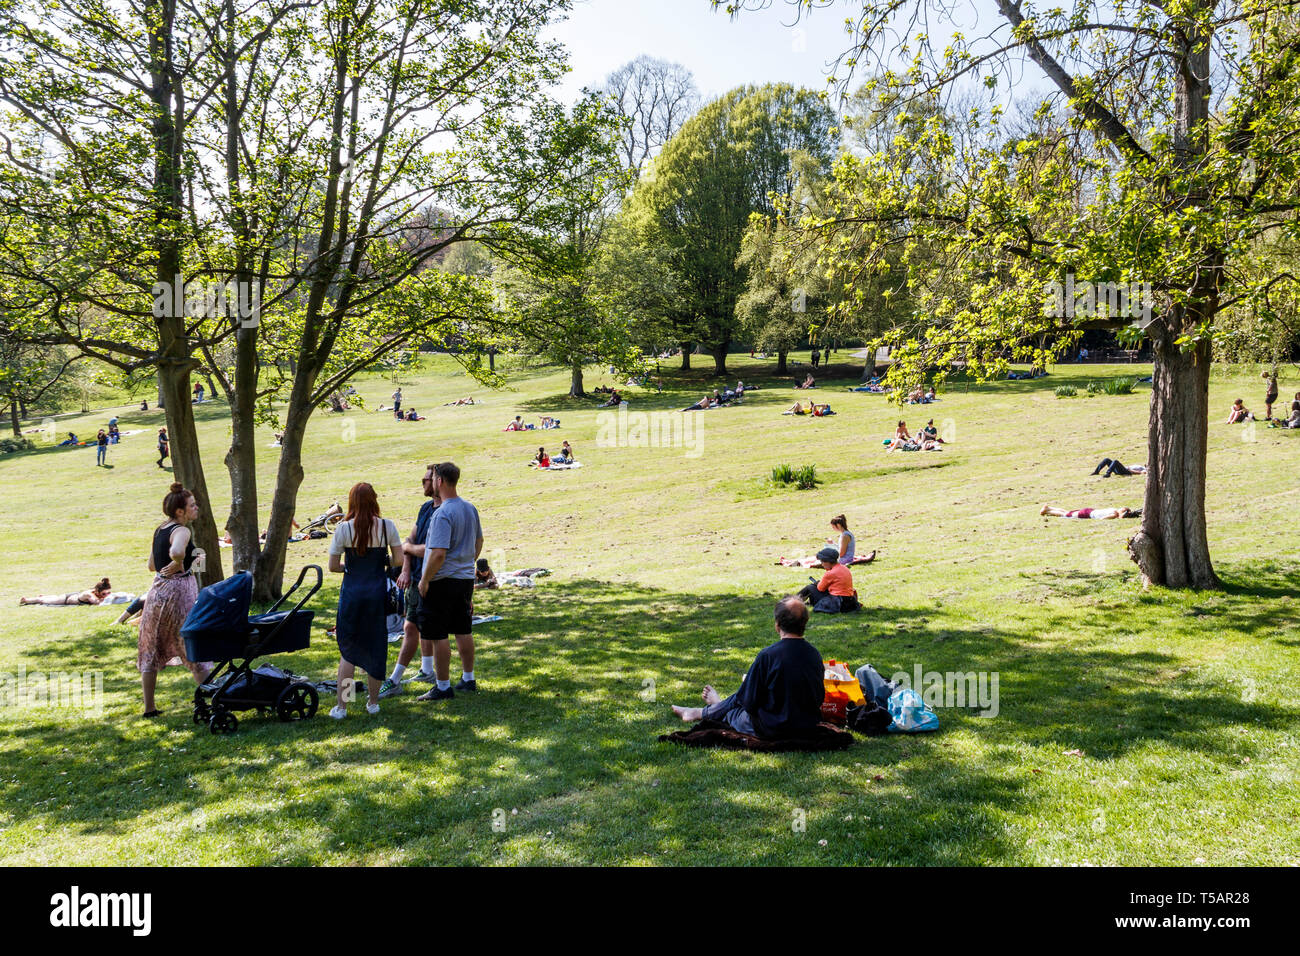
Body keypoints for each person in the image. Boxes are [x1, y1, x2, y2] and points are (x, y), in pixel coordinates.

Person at [670, 597, 824, 738]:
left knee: (736, 711)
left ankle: (703, 711)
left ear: (777, 625)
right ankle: (713, 707)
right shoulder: (814, 654)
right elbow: (818, 697)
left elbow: (749, 703)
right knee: (746, 691)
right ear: (804, 623)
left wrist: (748, 685)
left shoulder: (768, 656)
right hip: (806, 725)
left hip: (772, 727)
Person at [137, 483, 212, 717]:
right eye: (192, 505)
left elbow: (151, 566)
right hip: (180, 592)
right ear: (180, 511)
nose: (196, 508)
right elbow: (177, 552)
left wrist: (172, 564)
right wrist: (179, 562)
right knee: (192, 642)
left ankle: (149, 708)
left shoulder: (160, 529)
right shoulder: (182, 530)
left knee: (151, 647)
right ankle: (215, 698)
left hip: (158, 591)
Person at [327, 482, 402, 718]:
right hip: (376, 594)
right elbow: (398, 560)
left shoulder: (343, 529)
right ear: (374, 500)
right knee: (375, 647)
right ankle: (372, 702)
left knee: (348, 651)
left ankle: (343, 706)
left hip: (351, 594)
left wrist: (349, 567)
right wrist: (380, 564)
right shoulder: (386, 526)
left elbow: (332, 566)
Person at [416, 461, 483, 701]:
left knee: (438, 634)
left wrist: (425, 579)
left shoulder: (443, 512)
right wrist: (467, 563)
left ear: (440, 481)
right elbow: (479, 542)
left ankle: (442, 686)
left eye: (433, 478)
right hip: (464, 580)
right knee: (463, 629)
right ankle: (468, 678)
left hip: (442, 580)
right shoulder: (469, 508)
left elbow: (438, 552)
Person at [378, 465, 441, 699]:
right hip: (415, 577)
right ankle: (426, 671)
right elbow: (409, 540)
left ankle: (394, 680)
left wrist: (409, 550)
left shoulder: (443, 512)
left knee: (414, 627)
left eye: (426, 479)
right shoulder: (425, 508)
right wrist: (405, 568)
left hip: (431, 579)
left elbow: (431, 550)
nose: (422, 483)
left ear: (437, 482)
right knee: (415, 626)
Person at [797, 547, 859, 613]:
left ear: (828, 561)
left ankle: (793, 601)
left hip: (837, 602)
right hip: (849, 601)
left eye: (822, 562)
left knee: (810, 587)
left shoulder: (830, 573)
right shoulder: (844, 568)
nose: (822, 564)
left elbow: (821, 588)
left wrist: (817, 584)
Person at [19, 578, 112, 606]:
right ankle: (26, 600)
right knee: (43, 601)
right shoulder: (89, 594)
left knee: (53, 598)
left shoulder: (98, 594)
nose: (106, 595)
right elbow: (96, 603)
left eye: (108, 593)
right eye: (104, 594)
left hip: (73, 596)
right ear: (97, 591)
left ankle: (43, 596)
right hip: (66, 599)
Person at [1039, 505, 1136, 519]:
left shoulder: (1113, 509)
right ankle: (1048, 511)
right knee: (1066, 515)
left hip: (1090, 510)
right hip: (1088, 514)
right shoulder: (1114, 514)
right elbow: (1103, 519)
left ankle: (1049, 508)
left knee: (1068, 512)